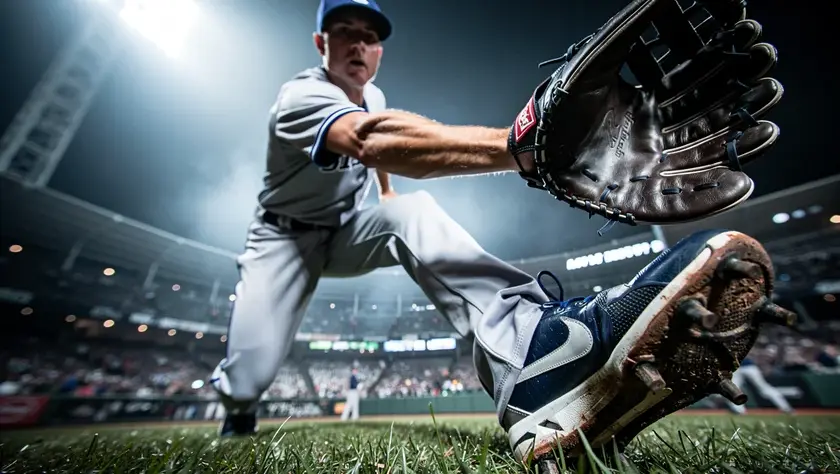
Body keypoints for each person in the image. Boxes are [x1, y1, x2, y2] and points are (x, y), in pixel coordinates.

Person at [210, 0, 792, 461]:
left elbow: (379, 163)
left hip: (346, 228)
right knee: (251, 372)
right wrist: (524, 146)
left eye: (369, 34)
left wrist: (388, 205)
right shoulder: (301, 96)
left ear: (380, 51)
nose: (358, 43)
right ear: (321, 44)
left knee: (412, 212)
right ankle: (237, 407)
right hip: (281, 240)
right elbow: (368, 140)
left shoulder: (376, 94)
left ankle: (534, 354)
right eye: (344, 31)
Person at [724, 357, 794, 415]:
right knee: (732, 391)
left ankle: (739, 411)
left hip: (744, 366)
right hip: (741, 367)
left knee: (733, 390)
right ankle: (739, 411)